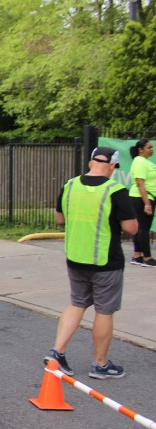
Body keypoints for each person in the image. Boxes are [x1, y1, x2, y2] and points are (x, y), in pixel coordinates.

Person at [45, 147, 137, 380]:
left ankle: (57, 352)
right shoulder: (115, 190)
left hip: (76, 257)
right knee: (104, 310)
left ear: (89, 162)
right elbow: (131, 228)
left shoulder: (70, 185)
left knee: (77, 303)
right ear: (112, 166)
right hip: (106, 261)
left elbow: (59, 219)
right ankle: (100, 364)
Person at [128, 139, 156, 267]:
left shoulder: (145, 162)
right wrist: (147, 203)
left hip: (146, 198)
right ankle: (147, 258)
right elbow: (140, 183)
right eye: (149, 147)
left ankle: (137, 256)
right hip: (142, 198)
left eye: (152, 147)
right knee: (143, 228)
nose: (152, 149)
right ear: (140, 149)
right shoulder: (139, 161)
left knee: (140, 228)